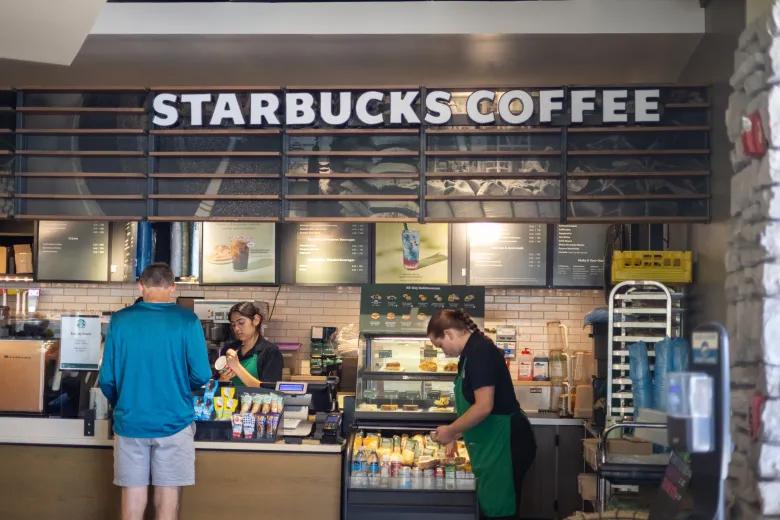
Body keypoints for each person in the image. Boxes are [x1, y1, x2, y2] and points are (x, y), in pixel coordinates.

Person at [98, 263, 211, 520]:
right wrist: (180, 386)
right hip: (175, 421)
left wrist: (124, 402)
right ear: (172, 288)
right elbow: (202, 375)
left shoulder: (121, 320)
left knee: (133, 498)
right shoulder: (187, 321)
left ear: (140, 286)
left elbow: (107, 379)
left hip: (131, 422)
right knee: (167, 499)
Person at [427, 308, 536, 520]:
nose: (442, 351)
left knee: (501, 511)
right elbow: (473, 405)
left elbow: (484, 406)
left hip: (506, 445)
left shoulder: (480, 352)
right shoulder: (469, 354)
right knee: (493, 508)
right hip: (494, 444)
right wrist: (457, 433)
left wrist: (451, 430)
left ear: (449, 333)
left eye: (440, 345)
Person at [217, 301, 283, 385]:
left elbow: (269, 391)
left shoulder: (270, 352)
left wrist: (237, 367)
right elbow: (216, 387)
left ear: (256, 320)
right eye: (233, 325)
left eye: (241, 322)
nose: (236, 328)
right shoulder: (229, 350)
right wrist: (223, 378)